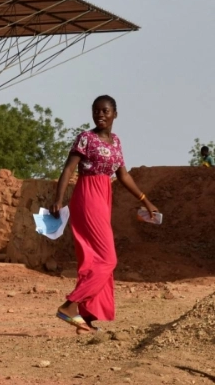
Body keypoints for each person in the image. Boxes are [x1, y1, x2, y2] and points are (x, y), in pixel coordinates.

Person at [50, 95, 158, 333]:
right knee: (108, 260)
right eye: (96, 111)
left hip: (103, 196)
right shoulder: (85, 139)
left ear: (115, 115)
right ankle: (69, 306)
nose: (100, 115)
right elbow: (68, 168)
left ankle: (86, 317)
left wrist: (146, 200)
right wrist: (58, 199)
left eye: (105, 111)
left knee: (93, 259)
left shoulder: (116, 142)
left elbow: (123, 176)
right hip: (87, 196)